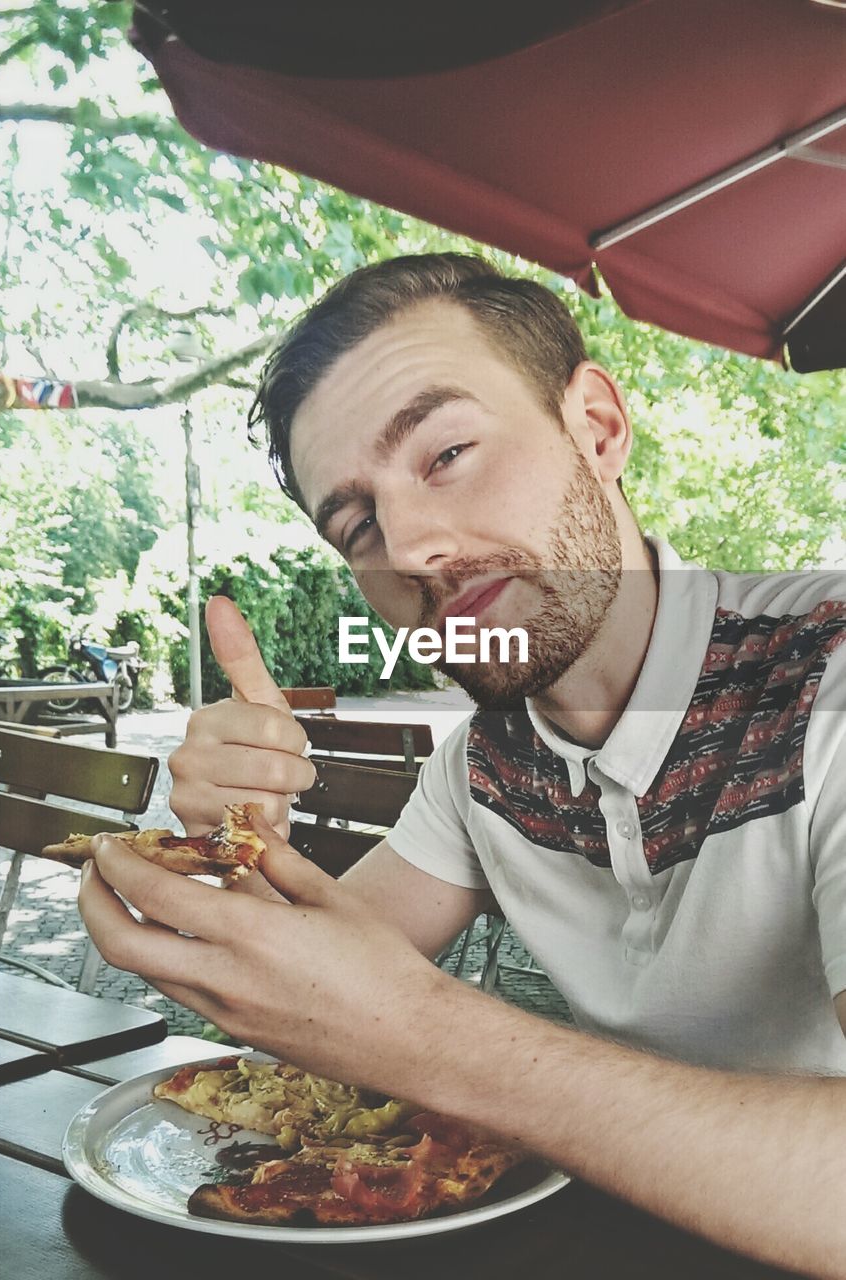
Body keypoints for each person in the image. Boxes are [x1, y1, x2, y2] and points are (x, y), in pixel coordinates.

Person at [80, 254, 846, 1276]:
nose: (410, 548)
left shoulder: (822, 675)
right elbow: (311, 1000)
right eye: (357, 524)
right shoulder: (484, 762)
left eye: (445, 454)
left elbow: (395, 1023)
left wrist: (438, 1039)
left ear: (598, 426)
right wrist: (234, 849)